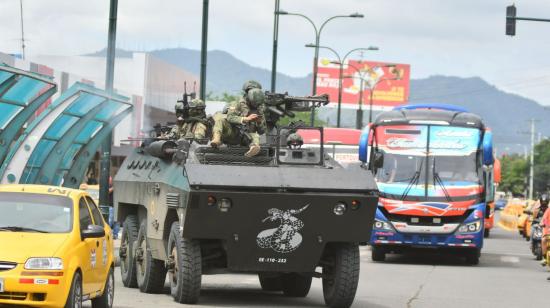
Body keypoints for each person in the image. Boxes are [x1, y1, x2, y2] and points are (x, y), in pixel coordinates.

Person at [211, 84, 266, 157]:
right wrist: (245, 119)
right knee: (220, 121)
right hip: (232, 132)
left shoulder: (259, 111)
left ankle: (253, 148)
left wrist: (259, 123)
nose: (255, 106)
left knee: (255, 135)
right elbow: (230, 117)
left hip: (244, 137)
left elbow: (262, 131)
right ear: (249, 99)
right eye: (254, 103)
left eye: (257, 104)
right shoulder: (237, 104)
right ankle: (216, 139)